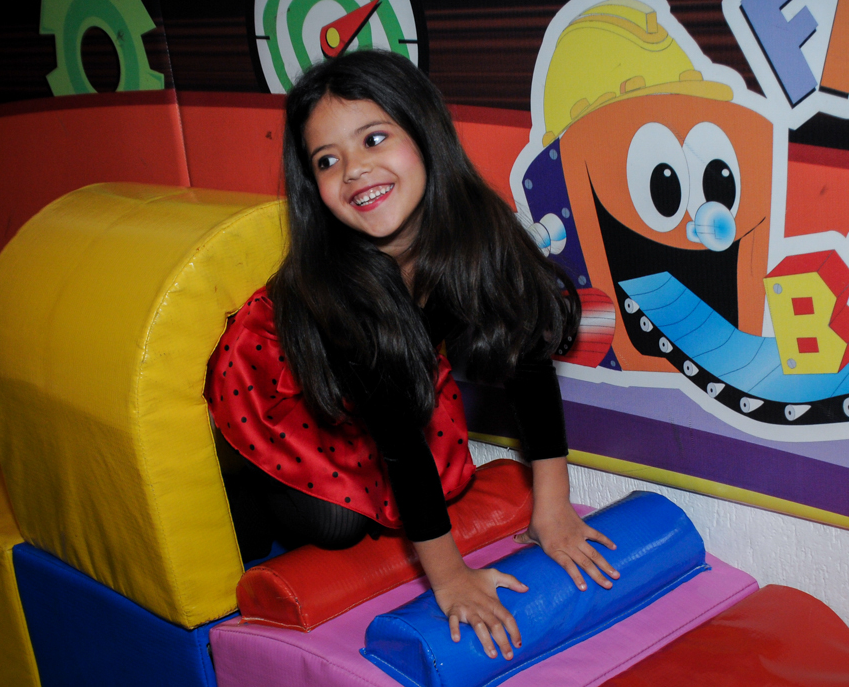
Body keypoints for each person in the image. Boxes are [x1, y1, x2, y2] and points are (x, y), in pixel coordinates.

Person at [206, 48, 619, 661]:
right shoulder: (340, 291)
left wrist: (552, 507)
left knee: (430, 490)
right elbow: (399, 439)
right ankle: (244, 487)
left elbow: (527, 359)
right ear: (312, 186)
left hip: (375, 391)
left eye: (374, 138)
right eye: (328, 160)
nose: (354, 170)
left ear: (424, 134)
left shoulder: (477, 231)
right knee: (337, 526)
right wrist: (449, 578)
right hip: (277, 382)